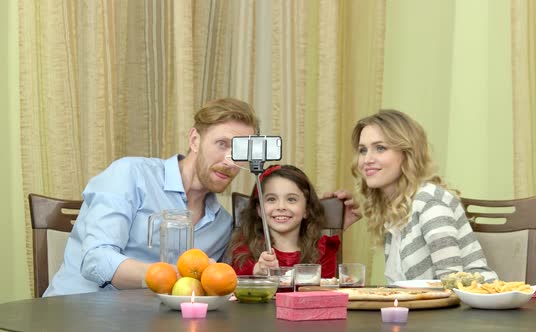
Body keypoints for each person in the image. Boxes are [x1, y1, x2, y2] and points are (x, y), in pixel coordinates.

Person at [44, 98, 259, 296]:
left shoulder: (222, 224)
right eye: (222, 144)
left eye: (240, 151)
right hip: (77, 313)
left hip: (155, 322)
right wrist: (172, 276)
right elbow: (96, 260)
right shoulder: (130, 174)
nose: (230, 161)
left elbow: (214, 288)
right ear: (195, 140)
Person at [351, 110, 498, 284]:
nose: (367, 159)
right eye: (362, 150)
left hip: (466, 308)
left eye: (380, 148)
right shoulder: (395, 208)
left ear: (407, 153)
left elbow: (451, 283)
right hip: (425, 308)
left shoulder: (429, 202)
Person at [228, 165, 358, 278]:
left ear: (307, 209)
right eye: (271, 199)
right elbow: (234, 284)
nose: (281, 207)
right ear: (259, 210)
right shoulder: (244, 250)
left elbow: (324, 294)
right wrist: (256, 271)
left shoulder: (322, 251)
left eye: (291, 199)